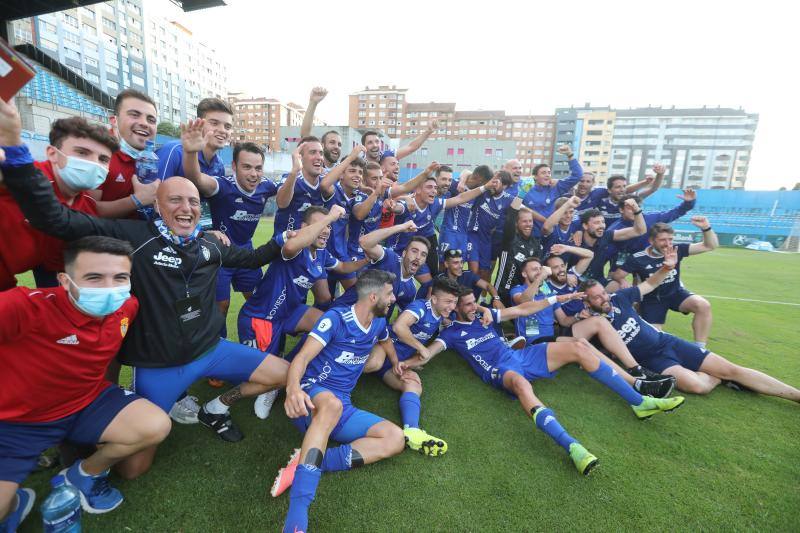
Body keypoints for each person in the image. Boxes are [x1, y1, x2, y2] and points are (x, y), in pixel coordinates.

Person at [0, 97, 292, 475]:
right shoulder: (130, 238)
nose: (187, 207)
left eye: (192, 201)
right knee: (133, 469)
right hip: (159, 364)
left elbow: (251, 259)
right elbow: (55, 219)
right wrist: (14, 146)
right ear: (157, 205)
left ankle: (215, 407)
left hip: (210, 350)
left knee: (282, 373)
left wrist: (283, 242)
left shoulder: (207, 244)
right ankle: (79, 446)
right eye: (175, 200)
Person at [402, 287, 685, 475]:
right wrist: (403, 363)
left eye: (472, 301)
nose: (472, 307)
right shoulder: (451, 334)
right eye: (464, 304)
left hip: (523, 356)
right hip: (500, 370)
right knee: (524, 387)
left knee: (579, 347)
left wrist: (557, 299)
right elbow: (428, 355)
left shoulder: (486, 315)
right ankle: (573, 446)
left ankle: (641, 402)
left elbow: (523, 310)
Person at [0, 236, 171, 531]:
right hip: (19, 422)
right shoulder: (24, 307)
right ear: (66, 281)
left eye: (120, 277)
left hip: (88, 401)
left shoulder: (128, 306)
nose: (109, 288)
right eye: (94, 277)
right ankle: (15, 503)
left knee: (157, 425)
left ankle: (84, 474)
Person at [274, 270, 407, 533]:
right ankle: (297, 517)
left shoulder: (379, 322)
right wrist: (292, 390)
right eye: (389, 294)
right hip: (313, 396)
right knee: (332, 404)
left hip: (342, 404)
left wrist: (394, 361)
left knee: (395, 438)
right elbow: (301, 358)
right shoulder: (336, 319)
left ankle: (309, 461)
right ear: (373, 296)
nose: (393, 298)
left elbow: (386, 340)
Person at [581, 255, 800, 403]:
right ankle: (721, 378)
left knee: (733, 369)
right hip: (655, 362)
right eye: (597, 297)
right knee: (696, 386)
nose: (604, 298)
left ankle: (795, 395)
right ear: (587, 302)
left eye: (603, 293)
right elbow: (580, 343)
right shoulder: (592, 326)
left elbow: (649, 285)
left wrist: (666, 268)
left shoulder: (619, 297)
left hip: (667, 343)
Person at [238, 206, 367, 420]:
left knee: (324, 325)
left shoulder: (322, 254)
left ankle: (291, 368)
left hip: (290, 312)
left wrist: (367, 261)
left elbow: (343, 266)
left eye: (329, 226)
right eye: (321, 225)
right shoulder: (296, 247)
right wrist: (332, 216)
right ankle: (271, 381)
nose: (326, 230)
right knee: (254, 375)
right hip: (261, 317)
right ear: (304, 228)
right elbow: (289, 246)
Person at [511, 254, 676, 398]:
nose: (539, 272)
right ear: (524, 273)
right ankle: (637, 384)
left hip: (550, 339)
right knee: (582, 344)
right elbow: (524, 302)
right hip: (532, 343)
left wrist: (578, 316)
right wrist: (541, 277)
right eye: (534, 270)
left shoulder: (547, 291)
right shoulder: (517, 290)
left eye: (540, 268)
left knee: (599, 321)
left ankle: (637, 369)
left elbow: (563, 321)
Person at [180, 119, 278, 337]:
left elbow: (290, 192)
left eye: (258, 168)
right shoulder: (223, 186)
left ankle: (259, 341)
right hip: (220, 254)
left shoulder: (266, 187)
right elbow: (195, 178)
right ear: (234, 167)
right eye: (247, 167)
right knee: (221, 306)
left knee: (258, 298)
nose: (253, 174)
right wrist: (190, 152)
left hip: (246, 253)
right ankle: (217, 347)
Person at [0, 116, 118, 291]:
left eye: (103, 159)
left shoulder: (87, 208)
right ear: (52, 153)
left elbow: (54, 265)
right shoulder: (18, 176)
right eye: (82, 153)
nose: (93, 163)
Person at [363, 277, 460, 455]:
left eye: (455, 302)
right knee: (373, 364)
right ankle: (334, 379)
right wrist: (420, 347)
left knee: (414, 384)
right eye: (448, 301)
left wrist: (406, 364)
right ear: (434, 299)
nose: (452, 307)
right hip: (385, 346)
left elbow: (424, 356)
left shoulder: (442, 316)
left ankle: (412, 431)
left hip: (396, 364)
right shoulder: (421, 307)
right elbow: (399, 327)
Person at [612, 219, 718, 348]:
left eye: (670, 239)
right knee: (654, 339)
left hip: (676, 294)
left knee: (703, 305)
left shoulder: (677, 250)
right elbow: (617, 274)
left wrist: (706, 228)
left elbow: (709, 246)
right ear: (651, 241)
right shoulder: (638, 258)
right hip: (651, 301)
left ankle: (699, 347)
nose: (668, 244)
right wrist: (623, 281)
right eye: (663, 240)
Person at [394, 168, 500, 278]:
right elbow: (394, 199)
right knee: (440, 266)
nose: (447, 183)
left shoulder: (439, 201)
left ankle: (445, 289)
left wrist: (485, 187)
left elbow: (460, 196)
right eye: (444, 179)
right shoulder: (450, 187)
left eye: (449, 180)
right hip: (442, 233)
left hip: (446, 234)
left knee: (450, 268)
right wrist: (404, 198)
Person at [90, 88, 160, 219]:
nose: (144, 123)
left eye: (151, 120)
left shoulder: (151, 159)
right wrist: (136, 201)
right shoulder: (97, 153)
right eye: (134, 114)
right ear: (114, 120)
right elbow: (86, 210)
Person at [334, 221, 430, 315]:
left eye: (423, 255)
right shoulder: (390, 258)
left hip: (369, 326)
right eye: (414, 251)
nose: (418, 257)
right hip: (343, 313)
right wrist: (401, 227)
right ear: (404, 253)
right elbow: (364, 242)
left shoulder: (411, 289)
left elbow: (402, 320)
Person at [572, 202, 646, 285]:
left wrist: (636, 209)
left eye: (603, 222)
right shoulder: (575, 241)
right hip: (576, 285)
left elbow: (639, 230)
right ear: (585, 226)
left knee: (620, 287)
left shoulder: (606, 236)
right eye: (596, 223)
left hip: (598, 284)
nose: (602, 226)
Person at [467, 169, 516, 282]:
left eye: (498, 183)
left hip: (487, 239)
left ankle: (480, 297)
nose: (494, 184)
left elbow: (523, 209)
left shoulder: (508, 199)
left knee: (485, 272)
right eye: (493, 181)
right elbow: (466, 174)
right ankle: (465, 295)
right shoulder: (483, 191)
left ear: (505, 186)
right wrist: (462, 181)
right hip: (473, 234)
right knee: (474, 269)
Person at [522, 145, 582, 235]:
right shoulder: (526, 189)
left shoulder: (555, 187)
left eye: (549, 173)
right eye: (543, 173)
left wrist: (570, 155)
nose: (547, 175)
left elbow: (577, 175)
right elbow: (516, 204)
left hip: (551, 235)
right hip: (531, 236)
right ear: (535, 176)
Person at [573, 164, 664, 224]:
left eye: (624, 186)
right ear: (609, 190)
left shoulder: (630, 201)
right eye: (617, 187)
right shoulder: (600, 196)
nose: (622, 190)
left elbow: (653, 189)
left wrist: (660, 174)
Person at [438, 167, 491, 267]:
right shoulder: (455, 185)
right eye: (484, 183)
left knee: (458, 266)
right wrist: (462, 181)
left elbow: (467, 172)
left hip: (463, 235)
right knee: (444, 264)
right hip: (449, 232)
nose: (485, 186)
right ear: (479, 179)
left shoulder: (477, 193)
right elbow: (466, 172)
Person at [494, 197, 542, 306]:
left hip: (522, 292)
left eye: (530, 221)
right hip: (503, 291)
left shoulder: (535, 243)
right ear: (516, 224)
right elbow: (511, 217)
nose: (528, 224)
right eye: (524, 221)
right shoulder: (510, 239)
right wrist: (521, 195)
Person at [274, 137, 326, 234]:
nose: (319, 157)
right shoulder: (290, 178)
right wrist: (294, 171)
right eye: (313, 152)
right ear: (300, 157)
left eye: (321, 153)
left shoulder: (326, 184)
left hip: (312, 247)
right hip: (285, 246)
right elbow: (281, 203)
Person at [437, 248, 502, 303]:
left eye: (461, 262)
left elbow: (487, 285)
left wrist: (496, 299)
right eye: (456, 263)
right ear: (446, 264)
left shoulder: (468, 275)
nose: (461, 266)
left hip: (470, 311)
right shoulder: (440, 279)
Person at [299, 87, 341, 172]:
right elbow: (305, 136)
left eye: (339, 144)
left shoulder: (342, 170)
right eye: (332, 142)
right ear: (322, 145)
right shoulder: (314, 166)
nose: (336, 147)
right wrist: (313, 103)